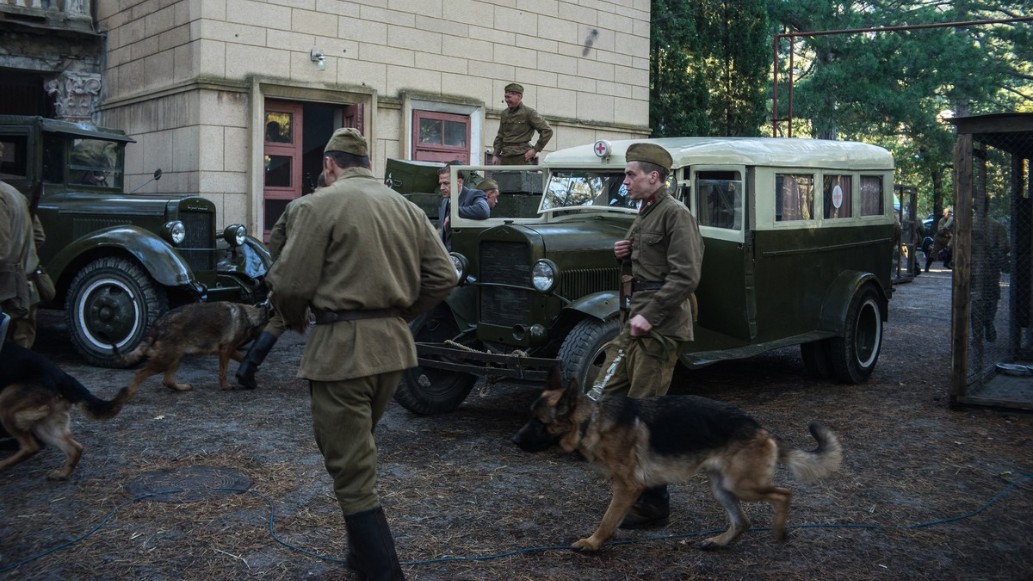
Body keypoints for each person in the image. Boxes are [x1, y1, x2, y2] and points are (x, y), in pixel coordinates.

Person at [267, 128, 457, 580]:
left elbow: (289, 283)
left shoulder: (317, 205)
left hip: (342, 353)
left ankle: (382, 573)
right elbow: (444, 275)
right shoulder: (407, 207)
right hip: (391, 352)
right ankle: (359, 559)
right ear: (368, 163)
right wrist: (395, 313)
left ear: (330, 165)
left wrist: (292, 316)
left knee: (352, 474)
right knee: (357, 454)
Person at [595, 142, 704, 530]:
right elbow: (648, 264)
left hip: (659, 327)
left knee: (644, 414)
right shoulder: (646, 211)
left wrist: (650, 316)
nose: (625, 181)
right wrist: (622, 254)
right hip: (636, 321)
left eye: (630, 174)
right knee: (606, 395)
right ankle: (629, 482)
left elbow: (686, 276)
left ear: (653, 177)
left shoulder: (676, 214)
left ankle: (653, 503)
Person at [236, 172, 330, 390]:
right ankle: (323, 374)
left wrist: (280, 267)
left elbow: (277, 238)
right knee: (331, 320)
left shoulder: (295, 205)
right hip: (322, 275)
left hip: (292, 273)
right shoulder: (332, 205)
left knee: (279, 320)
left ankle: (247, 367)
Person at [0, 149, 45, 348]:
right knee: (21, 360)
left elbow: (1, 250)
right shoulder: (14, 192)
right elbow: (39, 237)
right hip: (28, 287)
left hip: (7, 294)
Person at [492, 83, 553, 165]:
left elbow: (547, 131)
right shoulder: (504, 114)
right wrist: (495, 154)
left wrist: (535, 150)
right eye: (505, 97)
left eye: (509, 97)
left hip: (522, 157)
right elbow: (500, 136)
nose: (506, 100)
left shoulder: (529, 113)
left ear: (519, 97)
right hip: (505, 156)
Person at [975, 216, 1010, 342]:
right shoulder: (996, 225)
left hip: (972, 269)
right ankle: (989, 320)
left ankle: (976, 333)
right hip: (990, 269)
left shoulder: (968, 225)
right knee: (992, 297)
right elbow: (1005, 247)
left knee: (974, 299)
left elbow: (953, 245)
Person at [437, 164, 489, 249]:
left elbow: (483, 210)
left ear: (460, 182)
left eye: (446, 183)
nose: (442, 188)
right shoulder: (445, 202)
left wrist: (452, 215)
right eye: (440, 184)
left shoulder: (473, 195)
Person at [926, 206, 954, 271]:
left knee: (952, 250)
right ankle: (927, 266)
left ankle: (946, 263)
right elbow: (940, 231)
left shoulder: (953, 221)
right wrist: (948, 224)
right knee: (933, 252)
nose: (949, 215)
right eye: (948, 214)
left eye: (950, 214)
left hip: (948, 239)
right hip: (939, 239)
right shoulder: (942, 220)